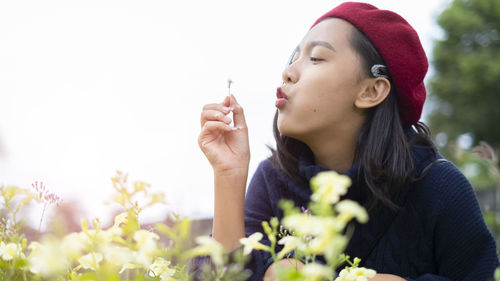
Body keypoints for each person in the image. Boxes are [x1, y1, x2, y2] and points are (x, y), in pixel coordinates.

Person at [195, 2, 499, 281]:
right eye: (293, 58)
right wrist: (228, 176)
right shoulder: (274, 181)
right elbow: (221, 276)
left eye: (315, 58)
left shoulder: (439, 187)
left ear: (371, 91)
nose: (288, 73)